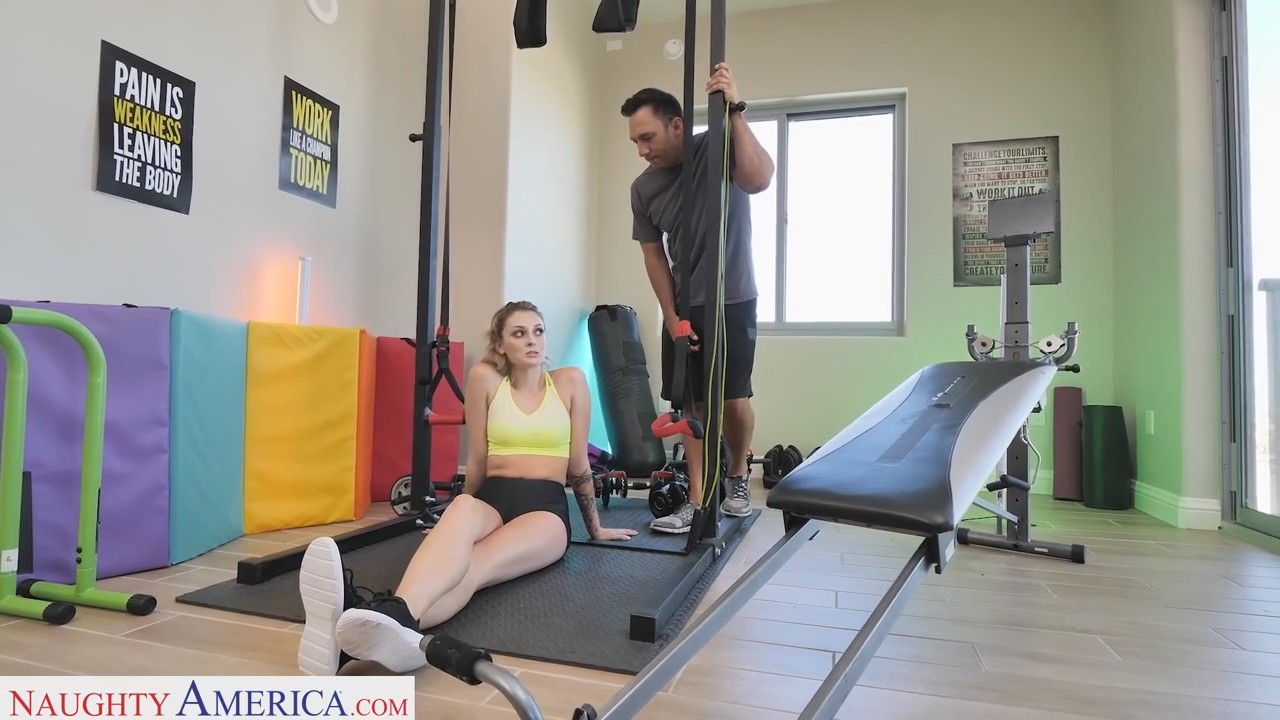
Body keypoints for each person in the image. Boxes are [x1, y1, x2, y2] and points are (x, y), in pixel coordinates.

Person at [295, 301, 638, 676]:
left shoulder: (569, 382)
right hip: (492, 497)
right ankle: (392, 618)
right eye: (519, 333)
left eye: (538, 331)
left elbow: (578, 464)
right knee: (459, 512)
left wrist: (595, 528)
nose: (531, 340)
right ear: (500, 344)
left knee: (474, 566)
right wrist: (451, 525)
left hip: (544, 509)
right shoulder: (485, 378)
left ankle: (365, 625)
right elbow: (476, 460)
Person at [621, 62, 776, 535]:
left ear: (676, 126)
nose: (642, 150)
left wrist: (734, 109)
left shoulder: (717, 145)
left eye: (648, 138)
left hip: (734, 297)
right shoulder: (643, 188)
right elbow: (654, 256)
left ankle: (737, 476)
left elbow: (759, 179)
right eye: (635, 142)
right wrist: (670, 317)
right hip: (686, 306)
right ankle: (696, 498)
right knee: (691, 407)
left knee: (732, 400)